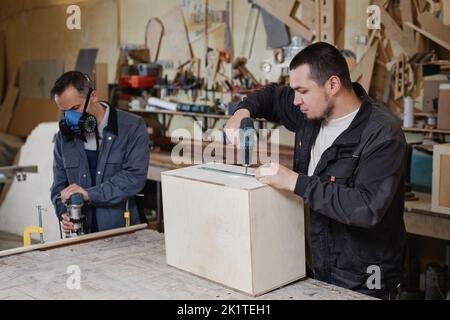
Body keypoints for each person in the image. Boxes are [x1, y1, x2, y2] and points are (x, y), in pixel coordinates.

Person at [225, 42, 407, 299]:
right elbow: (272, 96)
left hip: (363, 278)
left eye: (302, 91)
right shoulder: (309, 112)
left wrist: (295, 182)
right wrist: (241, 112)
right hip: (313, 266)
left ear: (332, 85)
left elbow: (366, 208)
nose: (296, 100)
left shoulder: (382, 134)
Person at [50, 71, 149, 235]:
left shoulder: (132, 127)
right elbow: (58, 187)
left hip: (122, 232)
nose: (71, 118)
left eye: (75, 108)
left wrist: (89, 194)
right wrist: (63, 213)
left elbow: (134, 178)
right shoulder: (64, 137)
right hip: (82, 235)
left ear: (93, 96)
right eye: (65, 111)